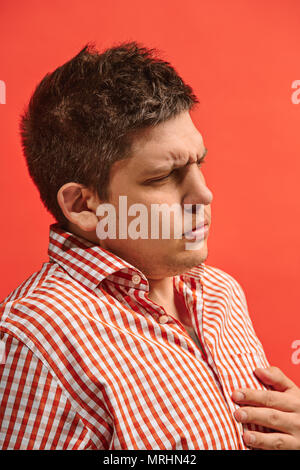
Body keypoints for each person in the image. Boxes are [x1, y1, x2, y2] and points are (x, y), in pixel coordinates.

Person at [0, 42, 299, 451]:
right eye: (163, 177)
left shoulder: (220, 293)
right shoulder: (36, 338)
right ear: (85, 206)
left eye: (200, 163)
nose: (204, 195)